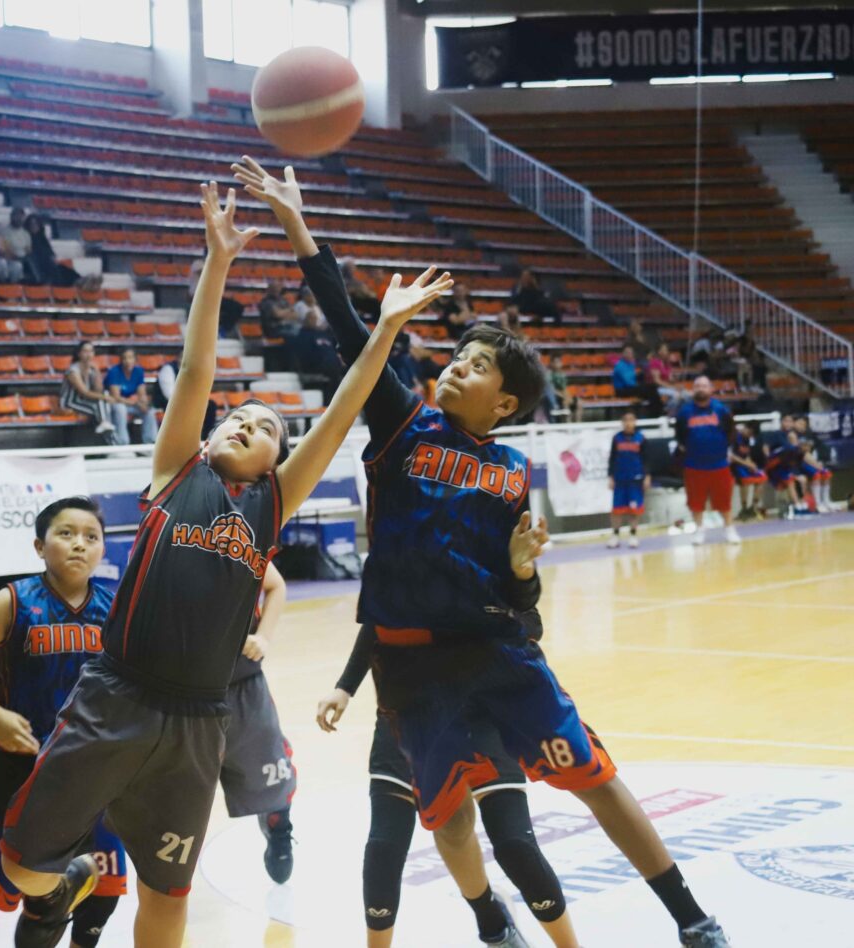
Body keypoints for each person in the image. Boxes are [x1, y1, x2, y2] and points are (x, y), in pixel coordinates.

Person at [232, 157, 731, 948]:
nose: (456, 367)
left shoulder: (511, 471)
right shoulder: (404, 423)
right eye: (455, 358)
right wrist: (299, 227)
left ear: (502, 402)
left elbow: (518, 593)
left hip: (498, 650)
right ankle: (489, 918)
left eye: (474, 366)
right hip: (410, 666)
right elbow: (350, 330)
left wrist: (525, 568)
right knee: (450, 821)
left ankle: (692, 917)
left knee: (595, 775)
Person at [0, 181, 451, 948]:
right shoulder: (178, 469)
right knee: (20, 870)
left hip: (200, 720)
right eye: (236, 417)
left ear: (278, 455)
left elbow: (344, 408)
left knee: (166, 895)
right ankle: (69, 878)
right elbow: (197, 366)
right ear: (208, 435)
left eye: (266, 424)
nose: (245, 422)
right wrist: (217, 261)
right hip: (117, 695)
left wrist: (385, 332)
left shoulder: (273, 502)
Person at [317, 623, 581, 948]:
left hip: (483, 709)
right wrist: (345, 687)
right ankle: (492, 921)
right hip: (408, 708)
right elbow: (377, 619)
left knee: (516, 846)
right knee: (389, 845)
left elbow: (531, 623)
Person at [0, 497, 124, 948]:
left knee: (102, 887)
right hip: (20, 766)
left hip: (93, 770)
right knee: (1, 886)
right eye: (66, 534)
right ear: (40, 546)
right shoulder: (14, 601)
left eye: (91, 536)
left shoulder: (119, 607)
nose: (79, 544)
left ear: (103, 549)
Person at [220, 563, 297, 884]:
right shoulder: (163, 537)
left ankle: (278, 824)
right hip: (185, 690)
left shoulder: (237, 531)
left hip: (243, 680)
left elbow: (276, 584)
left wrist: (263, 636)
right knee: (181, 794)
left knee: (271, 773)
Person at [675, 375, 740, 545]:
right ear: (692, 389)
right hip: (694, 465)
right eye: (697, 386)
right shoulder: (684, 412)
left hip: (719, 463)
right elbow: (680, 435)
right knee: (696, 502)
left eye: (704, 386)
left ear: (711, 389)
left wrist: (726, 450)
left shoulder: (721, 410)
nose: (700, 389)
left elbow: (731, 432)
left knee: (724, 500)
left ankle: (729, 529)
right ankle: (699, 530)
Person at [607, 410, 649, 549]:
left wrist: (647, 476)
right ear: (622, 422)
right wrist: (611, 477)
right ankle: (615, 535)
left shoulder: (641, 438)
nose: (628, 423)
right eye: (625, 420)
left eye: (631, 419)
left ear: (635, 421)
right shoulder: (616, 438)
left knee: (634, 510)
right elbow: (612, 459)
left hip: (636, 479)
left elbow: (647, 460)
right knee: (616, 509)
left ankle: (633, 535)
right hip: (620, 479)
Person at [60, 341, 115, 439]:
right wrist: (105, 397)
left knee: (103, 406)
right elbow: (84, 392)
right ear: (79, 354)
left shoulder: (92, 369)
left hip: (84, 402)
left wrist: (97, 371)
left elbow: (99, 390)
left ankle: (105, 425)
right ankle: (112, 441)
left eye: (91, 351)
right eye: (85, 351)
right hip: (70, 403)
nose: (88, 354)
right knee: (103, 408)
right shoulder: (73, 370)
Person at [103, 348, 158, 447]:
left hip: (131, 403)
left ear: (135, 360)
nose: (127, 361)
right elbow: (116, 397)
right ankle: (122, 443)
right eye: (124, 358)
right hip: (115, 403)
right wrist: (136, 403)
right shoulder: (114, 371)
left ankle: (150, 443)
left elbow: (142, 394)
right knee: (121, 409)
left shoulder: (138, 371)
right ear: (121, 360)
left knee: (149, 411)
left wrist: (144, 404)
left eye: (130, 358)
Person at [794, 416, 834, 512]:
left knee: (826, 474)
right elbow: (804, 454)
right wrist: (816, 466)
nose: (802, 426)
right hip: (798, 463)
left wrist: (818, 464)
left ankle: (826, 501)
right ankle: (818, 503)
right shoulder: (793, 435)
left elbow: (811, 451)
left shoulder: (809, 435)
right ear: (794, 423)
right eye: (800, 423)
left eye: (804, 424)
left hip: (809, 461)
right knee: (816, 474)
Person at [729, 423, 767, 522]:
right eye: (749, 433)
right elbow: (731, 456)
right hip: (732, 465)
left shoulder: (747, 439)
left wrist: (752, 464)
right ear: (746, 428)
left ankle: (753, 507)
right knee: (745, 480)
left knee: (762, 477)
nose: (750, 436)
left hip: (743, 464)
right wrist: (747, 464)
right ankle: (744, 508)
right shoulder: (734, 437)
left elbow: (747, 455)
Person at [612, 346, 662, 418]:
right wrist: (637, 376)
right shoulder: (620, 365)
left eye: (631, 353)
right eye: (628, 353)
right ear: (623, 354)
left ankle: (654, 412)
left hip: (631, 388)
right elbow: (628, 382)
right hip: (621, 390)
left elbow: (634, 379)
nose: (631, 355)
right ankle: (654, 414)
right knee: (648, 389)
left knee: (652, 387)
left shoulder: (631, 364)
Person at [646, 343, 681, 413]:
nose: (667, 352)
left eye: (667, 350)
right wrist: (671, 387)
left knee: (686, 394)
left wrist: (675, 379)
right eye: (665, 350)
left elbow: (670, 379)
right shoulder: (654, 362)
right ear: (659, 352)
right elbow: (656, 381)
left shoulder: (667, 363)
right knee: (676, 395)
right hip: (655, 388)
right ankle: (667, 412)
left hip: (666, 387)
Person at [3, 208, 33, 279]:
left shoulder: (26, 234)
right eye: (17, 216)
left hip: (24, 260)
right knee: (17, 265)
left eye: (21, 217)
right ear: (12, 217)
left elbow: (28, 250)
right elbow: (5, 249)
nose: (19, 219)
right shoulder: (5, 232)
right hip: (10, 260)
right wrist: (15, 257)